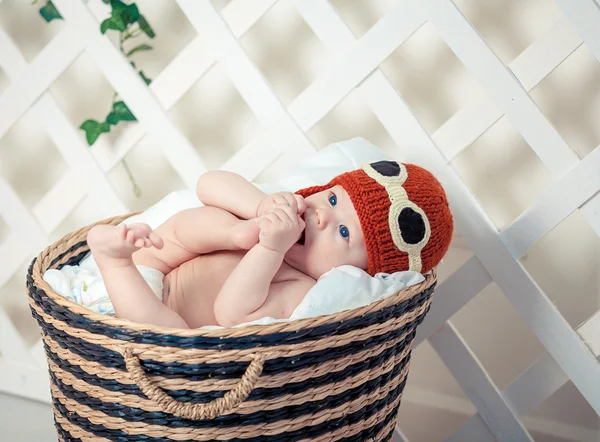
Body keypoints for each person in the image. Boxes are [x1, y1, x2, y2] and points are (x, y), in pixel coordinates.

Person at [86, 160, 453, 329]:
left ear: (356, 273)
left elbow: (230, 312)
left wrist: (269, 250)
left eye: (343, 234)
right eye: (333, 199)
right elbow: (207, 182)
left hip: (145, 316)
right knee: (202, 219)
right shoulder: (274, 211)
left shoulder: (303, 290)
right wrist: (256, 208)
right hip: (151, 265)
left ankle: (111, 260)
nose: (322, 216)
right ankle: (229, 234)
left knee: (166, 332)